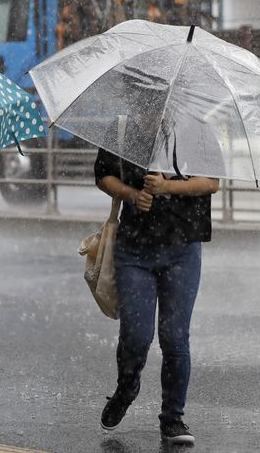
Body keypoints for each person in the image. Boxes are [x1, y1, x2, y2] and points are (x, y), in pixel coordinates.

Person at [94, 147, 219, 446]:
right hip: (134, 249)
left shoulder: (197, 126)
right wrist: (133, 195)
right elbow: (103, 175)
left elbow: (211, 182)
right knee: (136, 335)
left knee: (175, 338)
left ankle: (172, 418)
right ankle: (126, 388)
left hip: (183, 247)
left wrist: (166, 187)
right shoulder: (127, 124)